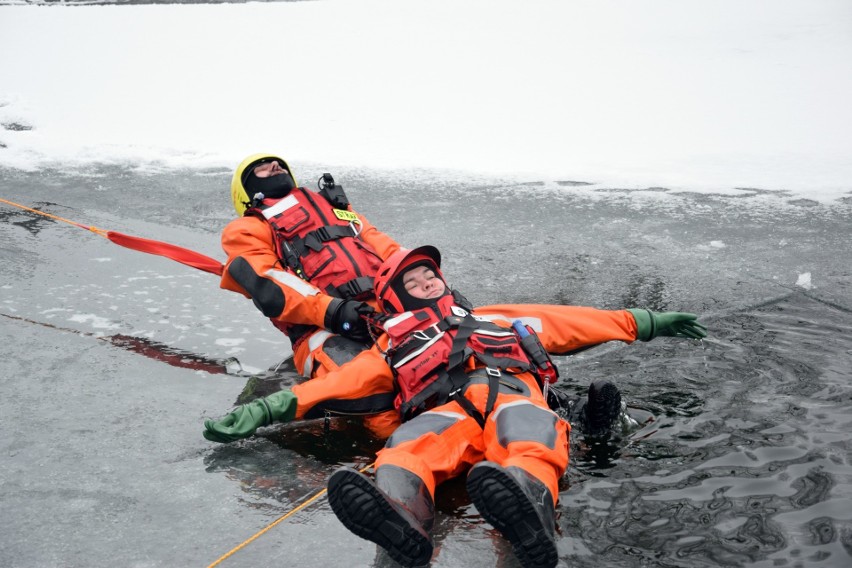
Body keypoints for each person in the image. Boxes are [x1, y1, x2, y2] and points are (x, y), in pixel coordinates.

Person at [203, 246, 707, 567]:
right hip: (444, 410)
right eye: (414, 284)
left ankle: (525, 507)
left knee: (528, 432)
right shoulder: (391, 347)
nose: (427, 285)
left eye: (431, 278)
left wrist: (642, 321)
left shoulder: (495, 317)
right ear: (397, 301)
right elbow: (343, 382)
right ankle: (403, 522)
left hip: (510, 392)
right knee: (405, 449)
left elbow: (569, 322)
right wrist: (266, 410)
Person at [221, 154, 402, 433]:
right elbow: (271, 285)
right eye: (261, 168)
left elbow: (388, 250)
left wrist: (428, 282)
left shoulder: (337, 210)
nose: (275, 166)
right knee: (373, 387)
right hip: (321, 333)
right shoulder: (246, 230)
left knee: (457, 355)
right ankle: (400, 456)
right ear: (245, 191)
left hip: (386, 311)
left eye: (279, 164)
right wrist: (334, 311)